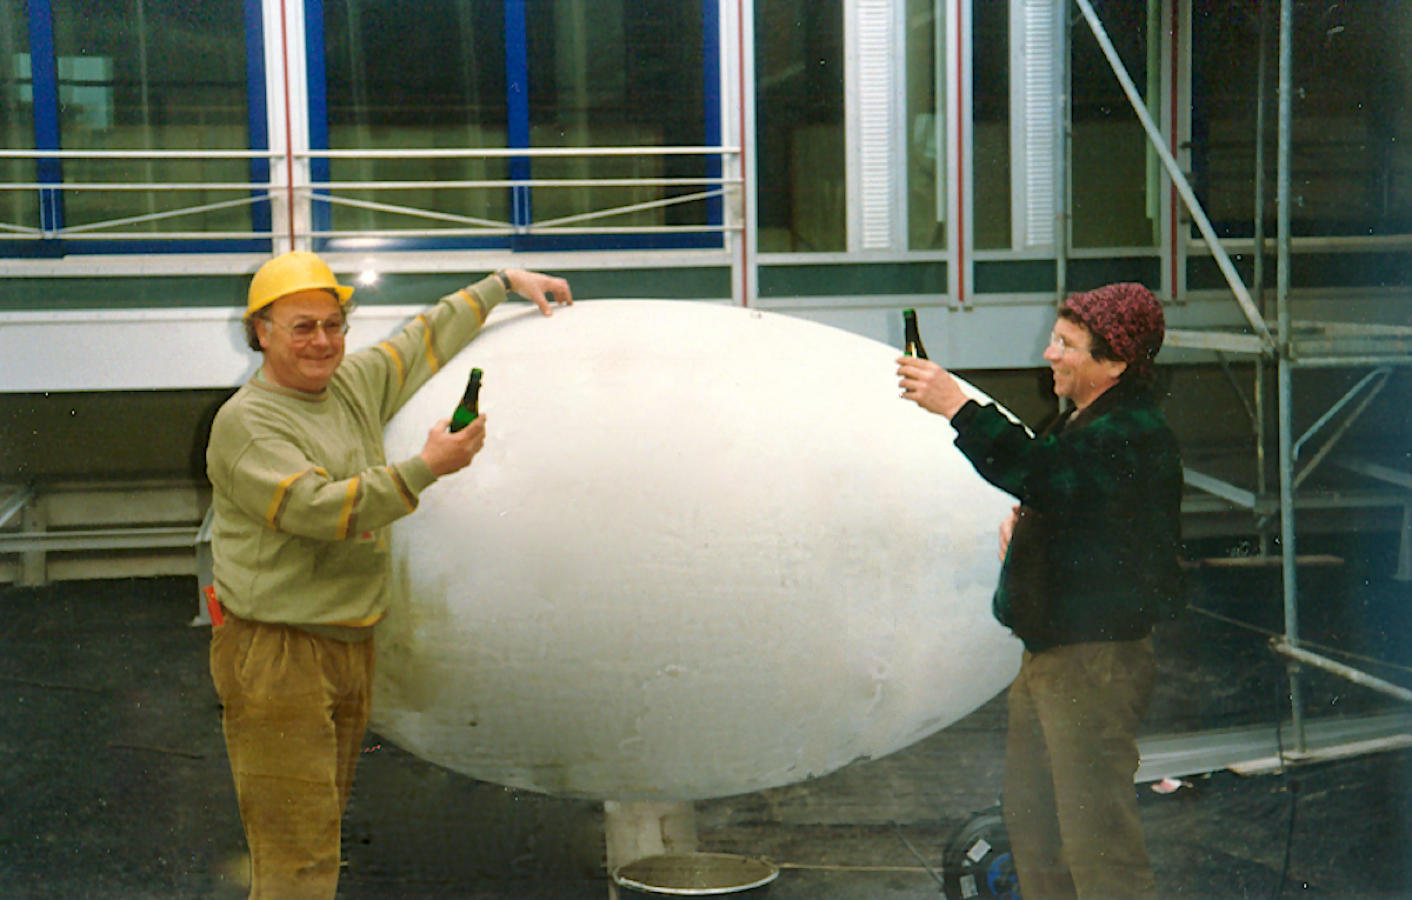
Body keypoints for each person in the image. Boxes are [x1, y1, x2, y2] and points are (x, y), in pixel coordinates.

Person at [205, 250, 571, 900]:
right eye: (302, 327)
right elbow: (317, 509)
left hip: (346, 640)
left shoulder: (348, 383)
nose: (323, 342)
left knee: (318, 828)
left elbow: (421, 341)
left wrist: (502, 284)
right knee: (297, 853)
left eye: (333, 325)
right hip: (279, 654)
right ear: (261, 331)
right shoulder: (248, 424)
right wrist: (427, 466)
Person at [897, 282, 1184, 900]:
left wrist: (958, 407)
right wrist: (1033, 533)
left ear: (1116, 362)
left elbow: (1043, 472)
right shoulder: (1088, 419)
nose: (1049, 354)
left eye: (1067, 344)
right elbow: (1074, 501)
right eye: (1055, 339)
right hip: (1055, 656)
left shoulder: (1131, 431)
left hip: (1091, 661)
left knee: (1097, 842)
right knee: (1037, 828)